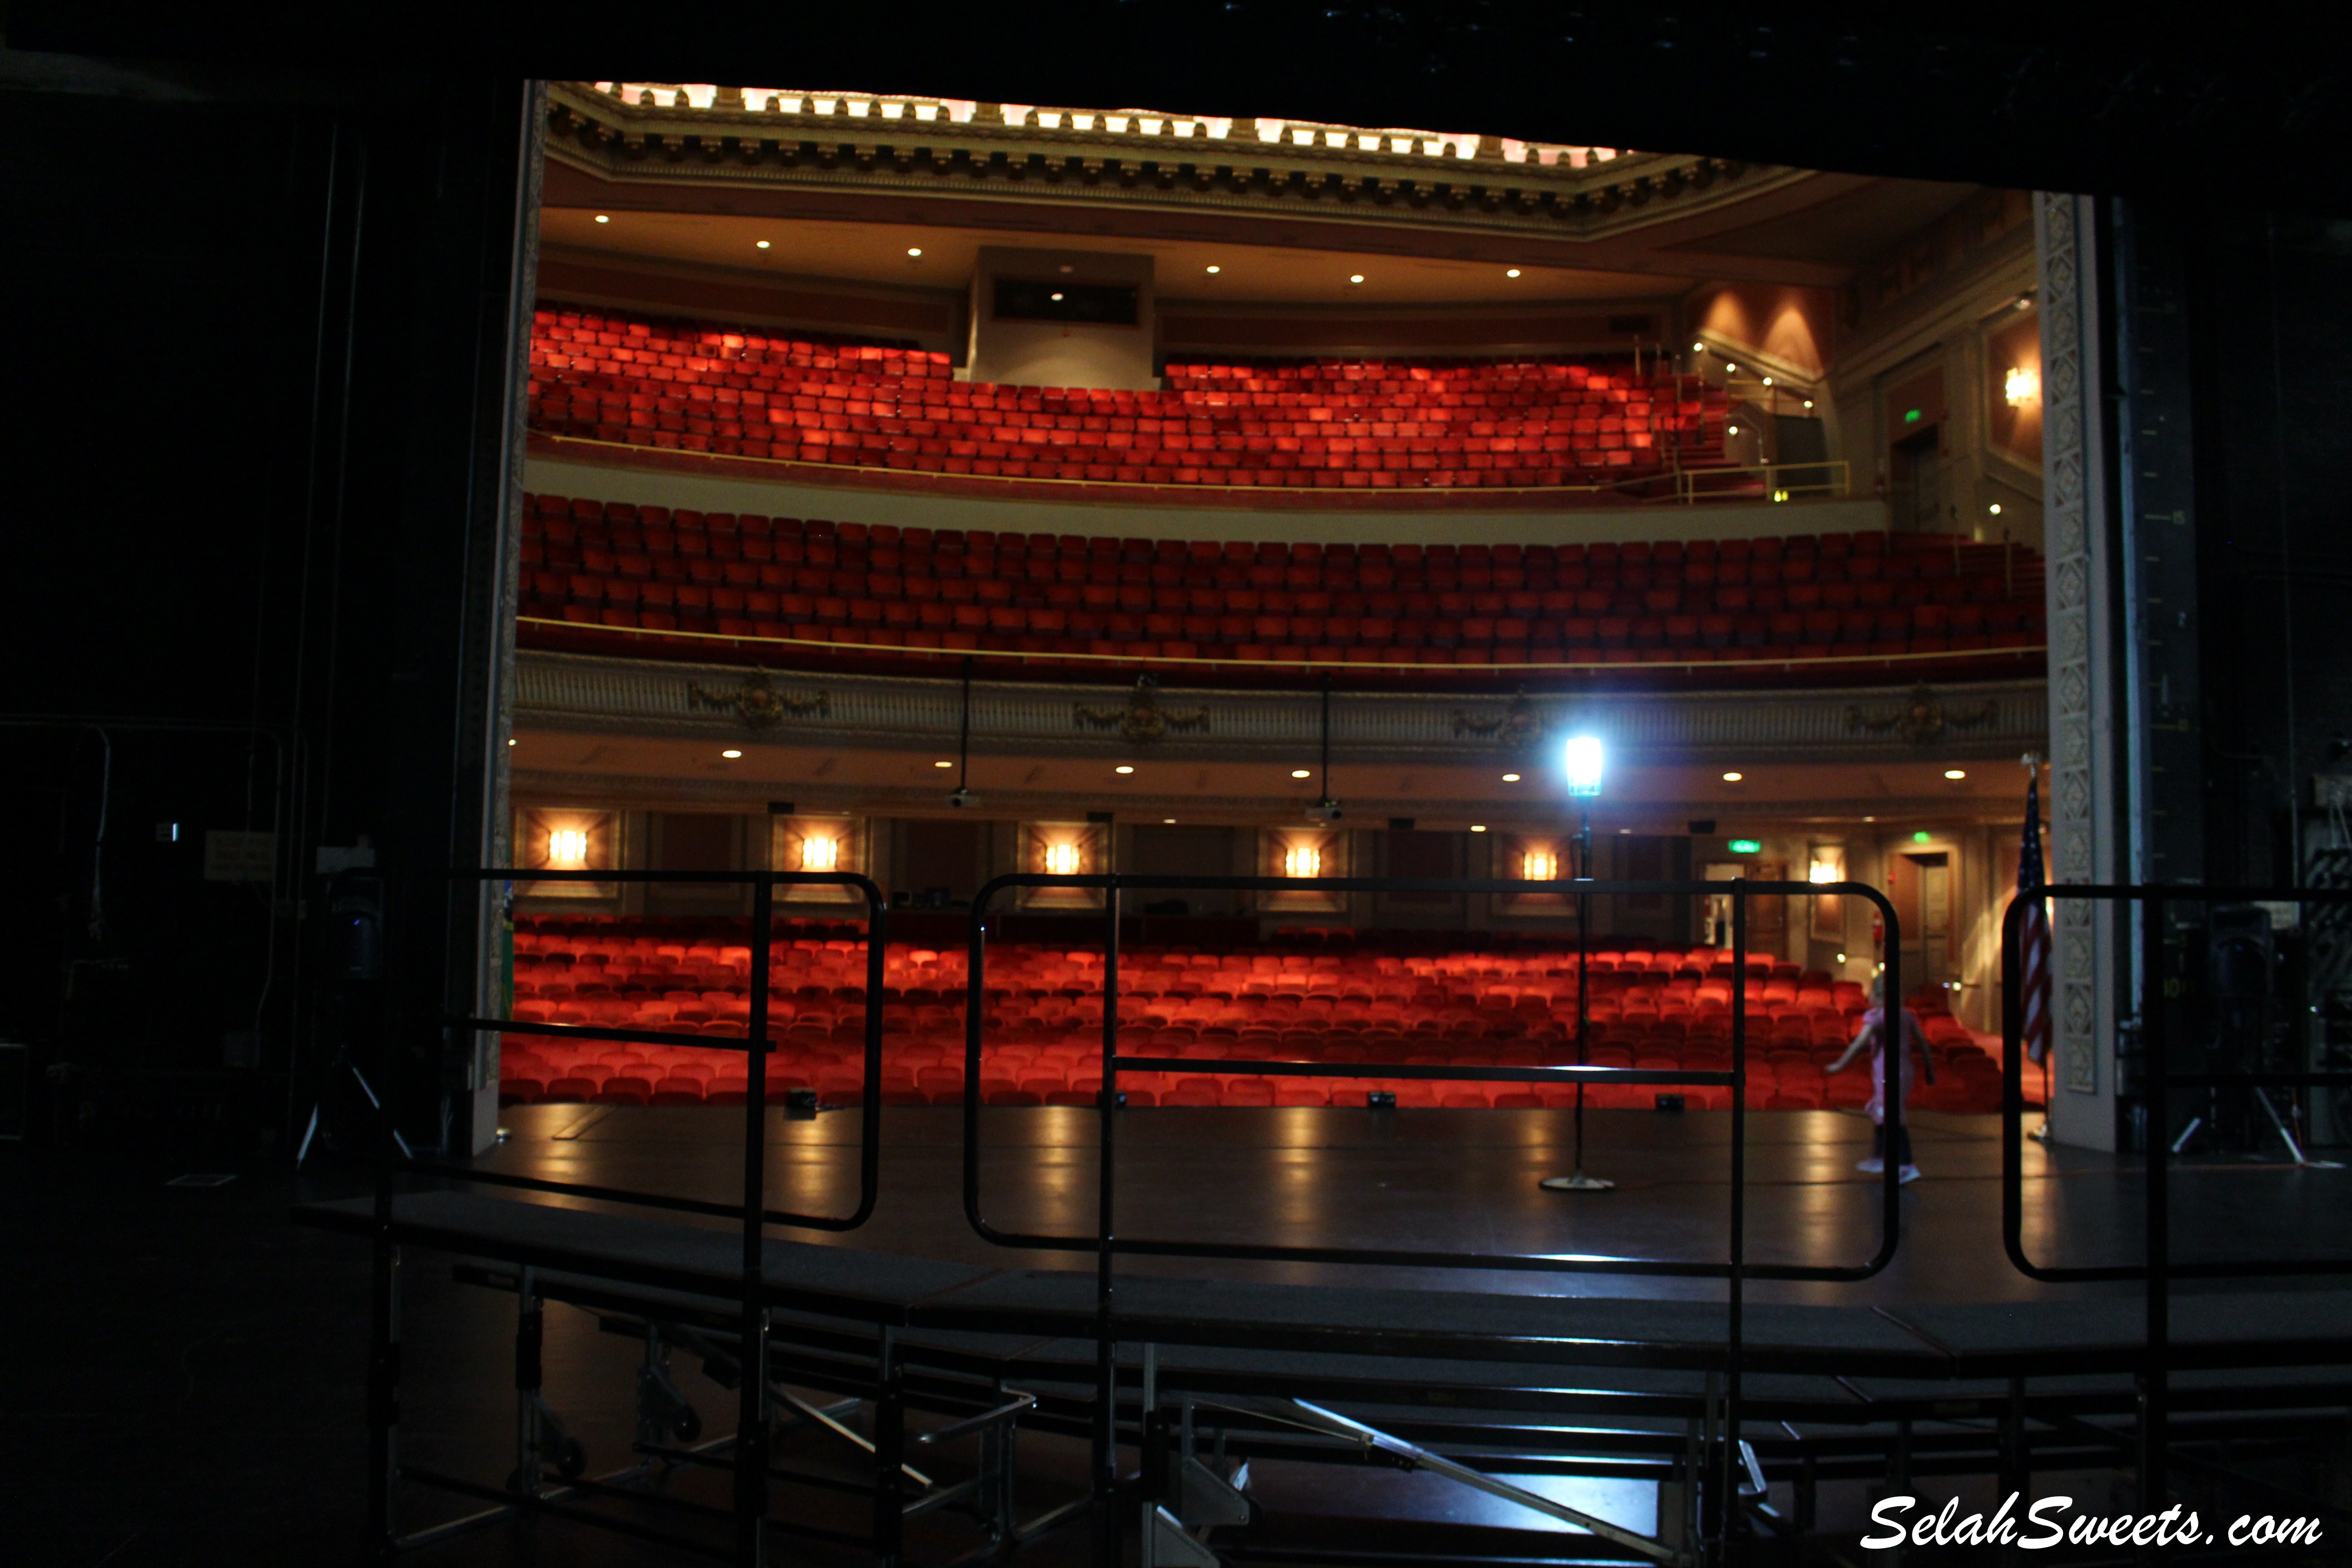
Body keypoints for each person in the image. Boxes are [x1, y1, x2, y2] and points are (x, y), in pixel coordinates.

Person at [1827, 973, 1936, 1184]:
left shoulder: (1877, 1017)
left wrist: (1840, 1065)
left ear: (1877, 996)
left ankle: (1907, 1164)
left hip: (1888, 1073)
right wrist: (1930, 1069)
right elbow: (1923, 1043)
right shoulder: (1906, 1015)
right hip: (1903, 1071)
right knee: (1883, 1112)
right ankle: (1879, 1157)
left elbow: (1859, 1045)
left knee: (1893, 1116)